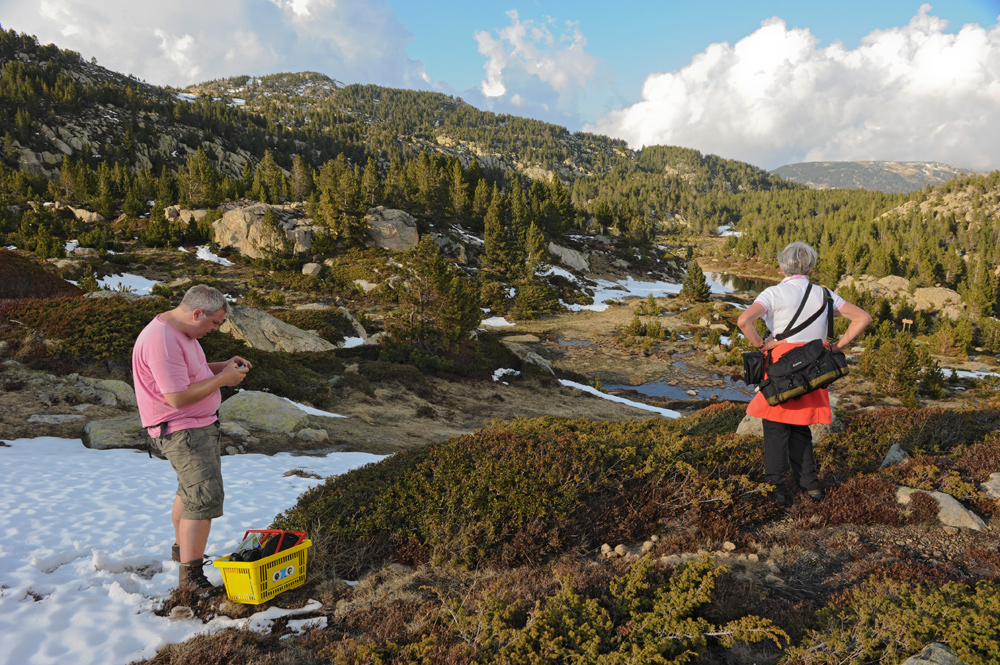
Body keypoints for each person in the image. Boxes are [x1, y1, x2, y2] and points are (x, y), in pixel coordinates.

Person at [132, 284, 251, 594]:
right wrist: (223, 380)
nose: (215, 329)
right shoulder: (162, 341)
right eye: (213, 323)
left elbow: (193, 374)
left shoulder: (182, 334)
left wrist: (221, 367)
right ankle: (191, 579)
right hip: (183, 430)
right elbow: (176, 396)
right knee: (203, 498)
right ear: (197, 312)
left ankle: (182, 550)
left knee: (190, 492)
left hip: (195, 427)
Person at [737, 242, 871, 507]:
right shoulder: (825, 294)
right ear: (810, 266)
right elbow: (863, 318)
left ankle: (776, 491)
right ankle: (810, 487)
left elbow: (744, 321)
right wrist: (836, 347)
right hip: (813, 371)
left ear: (781, 265)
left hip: (780, 371)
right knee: (801, 429)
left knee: (775, 430)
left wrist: (762, 345)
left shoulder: (772, 293)